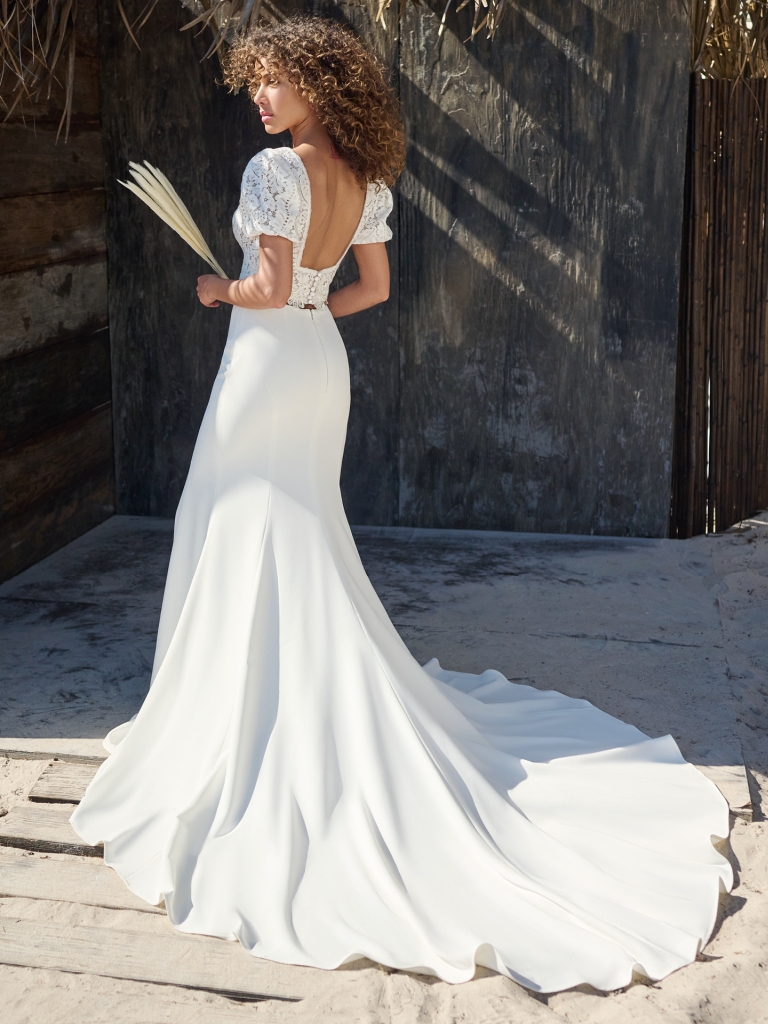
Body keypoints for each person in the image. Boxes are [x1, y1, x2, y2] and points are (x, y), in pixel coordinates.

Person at [70, 15, 732, 993]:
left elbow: (268, 286)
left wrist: (218, 290)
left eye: (276, 80)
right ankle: (259, 699)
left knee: (235, 528)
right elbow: (368, 289)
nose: (261, 97)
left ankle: (231, 716)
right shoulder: (366, 180)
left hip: (266, 367)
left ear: (318, 83)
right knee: (294, 538)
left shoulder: (273, 170)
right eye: (255, 82)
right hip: (317, 365)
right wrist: (306, 312)